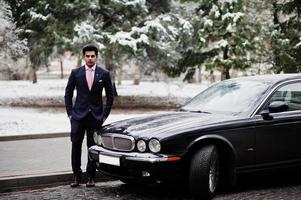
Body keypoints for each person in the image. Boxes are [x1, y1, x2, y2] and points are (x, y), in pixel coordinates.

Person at [64, 44, 114, 187]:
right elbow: (68, 94)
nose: (90, 58)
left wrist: (104, 116)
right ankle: (76, 176)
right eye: (88, 56)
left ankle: (91, 177)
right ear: (84, 57)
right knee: (76, 146)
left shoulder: (104, 74)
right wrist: (70, 113)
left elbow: (110, 97)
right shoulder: (76, 73)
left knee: (92, 147)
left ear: (96, 57)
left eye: (93, 56)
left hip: (95, 117)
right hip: (78, 117)